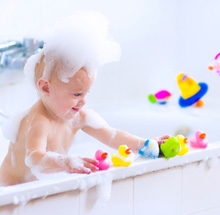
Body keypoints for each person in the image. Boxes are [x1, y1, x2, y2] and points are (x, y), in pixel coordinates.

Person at [0, 12, 169, 185]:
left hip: (39, 187)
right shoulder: (38, 121)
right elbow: (34, 158)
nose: (83, 101)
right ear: (46, 88)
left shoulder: (77, 116)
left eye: (86, 93)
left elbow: (112, 135)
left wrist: (144, 144)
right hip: (11, 191)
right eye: (77, 94)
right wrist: (65, 162)